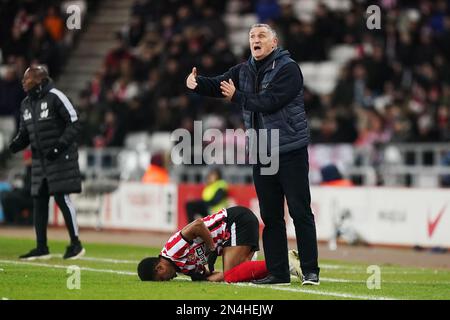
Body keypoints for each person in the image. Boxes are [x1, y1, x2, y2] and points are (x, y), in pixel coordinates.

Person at [186, 24, 320, 285]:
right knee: (270, 217)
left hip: (289, 150)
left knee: (300, 211)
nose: (255, 40)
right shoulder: (244, 69)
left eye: (261, 36)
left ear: (274, 42)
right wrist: (195, 83)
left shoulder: (288, 69)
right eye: (252, 36)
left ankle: (310, 270)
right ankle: (279, 273)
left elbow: (270, 102)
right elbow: (217, 85)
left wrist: (237, 97)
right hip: (261, 153)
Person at [8, 65, 85, 260]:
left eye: (28, 80)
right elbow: (25, 134)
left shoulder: (56, 96)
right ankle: (41, 247)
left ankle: (76, 244)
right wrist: (14, 146)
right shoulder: (26, 103)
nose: (24, 83)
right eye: (24, 80)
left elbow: (74, 121)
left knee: (61, 198)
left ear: (40, 81)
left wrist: (59, 146)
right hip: (40, 161)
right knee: (39, 201)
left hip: (60, 158)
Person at [138, 206, 272, 283]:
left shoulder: (173, 250)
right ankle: (283, 266)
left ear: (160, 268)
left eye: (162, 279)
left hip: (234, 221)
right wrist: (207, 278)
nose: (168, 280)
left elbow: (198, 225)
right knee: (239, 274)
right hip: (232, 233)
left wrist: (212, 248)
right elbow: (210, 274)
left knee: (231, 274)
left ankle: (285, 262)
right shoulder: (183, 268)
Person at [0, 149, 33, 225]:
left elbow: (29, 189)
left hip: (30, 197)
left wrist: (16, 190)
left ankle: (16, 220)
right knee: (4, 194)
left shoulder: (33, 170)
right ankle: (8, 220)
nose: (26, 160)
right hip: (25, 194)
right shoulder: (28, 170)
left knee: (9, 198)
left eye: (28, 158)